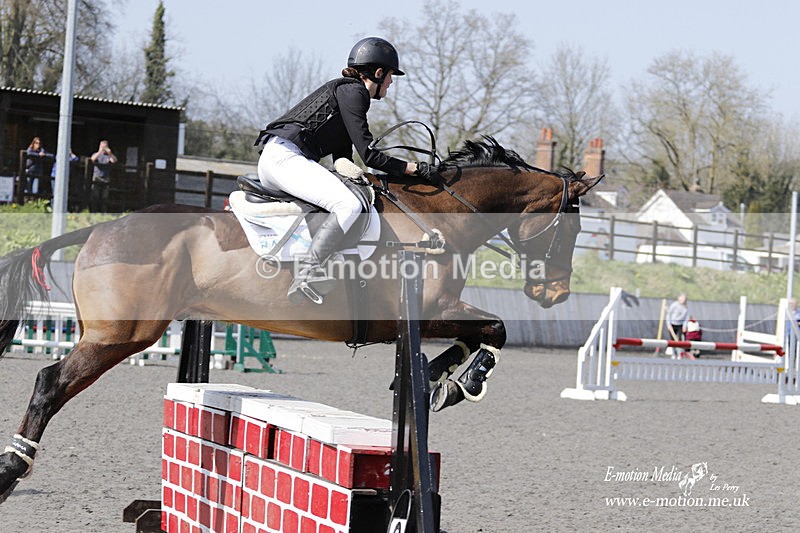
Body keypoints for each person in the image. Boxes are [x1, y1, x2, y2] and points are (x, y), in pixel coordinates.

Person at [254, 37, 435, 304]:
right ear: (378, 72)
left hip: (279, 157)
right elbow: (370, 155)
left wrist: (353, 169)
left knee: (346, 196)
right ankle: (307, 272)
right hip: (285, 158)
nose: (391, 83)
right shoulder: (355, 92)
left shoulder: (347, 94)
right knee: (348, 205)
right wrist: (412, 169)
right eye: (390, 77)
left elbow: (343, 156)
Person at [90, 140, 117, 211]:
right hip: (97, 177)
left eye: (105, 146)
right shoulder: (96, 154)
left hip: (106, 178)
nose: (104, 148)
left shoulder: (108, 156)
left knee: (104, 197)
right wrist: (100, 151)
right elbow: (92, 159)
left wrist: (110, 153)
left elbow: (114, 160)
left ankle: (103, 212)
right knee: (95, 196)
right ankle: (94, 211)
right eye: (102, 146)